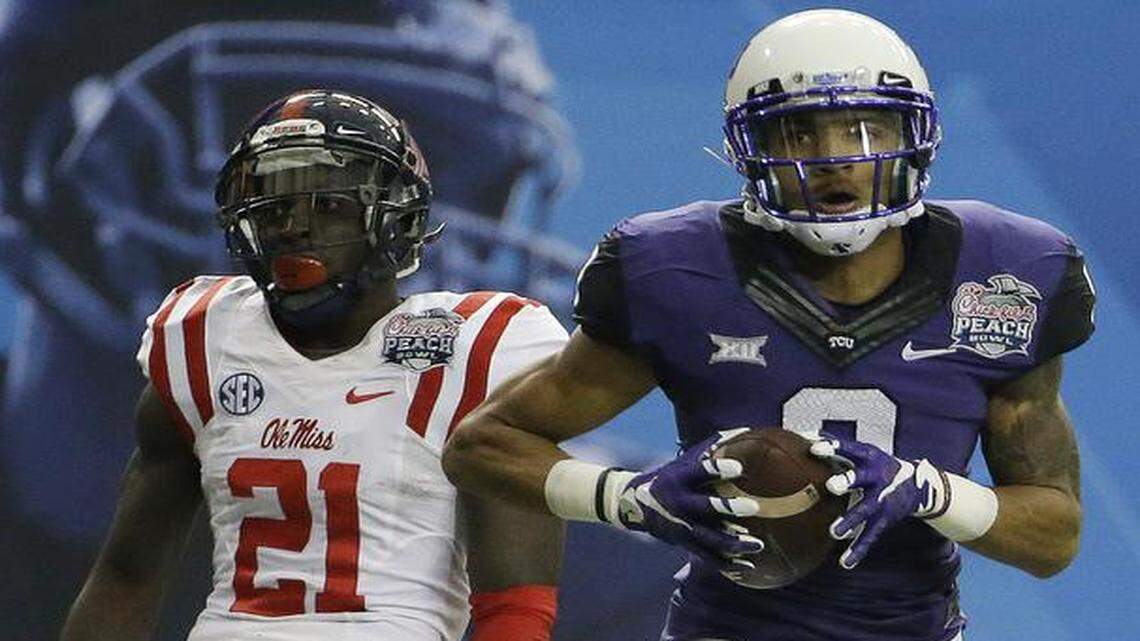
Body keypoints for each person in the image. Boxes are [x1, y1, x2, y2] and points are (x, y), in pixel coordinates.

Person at [442, 9, 1096, 641]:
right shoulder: (676, 269)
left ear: (911, 138)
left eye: (864, 127)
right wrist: (629, 497)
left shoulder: (1003, 275)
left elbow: (1052, 536)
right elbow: (484, 445)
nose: (836, 156)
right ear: (749, 149)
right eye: (800, 132)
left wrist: (932, 492)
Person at [61, 90, 566, 641]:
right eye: (275, 206)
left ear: (396, 220)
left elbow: (515, 610)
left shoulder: (477, 349)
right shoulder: (204, 338)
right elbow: (126, 576)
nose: (293, 227)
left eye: (328, 206)